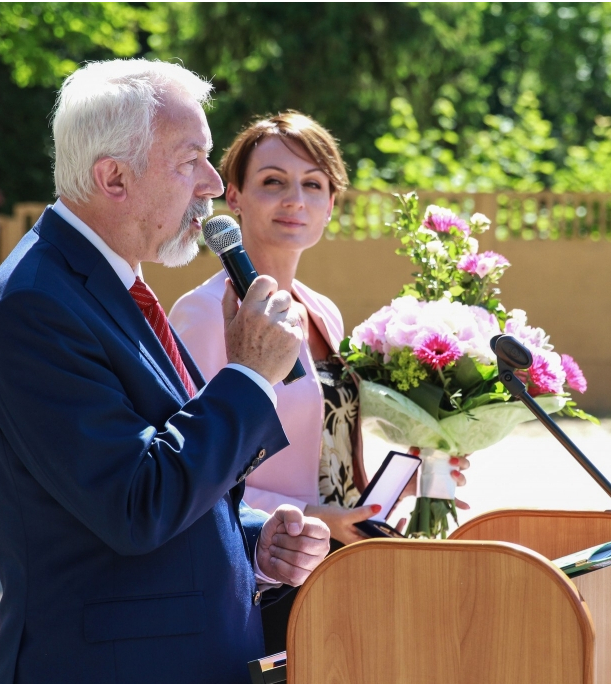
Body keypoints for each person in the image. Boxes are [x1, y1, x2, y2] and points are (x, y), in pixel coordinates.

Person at [0, 60, 330, 683]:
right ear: (113, 177)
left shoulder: (107, 281)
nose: (214, 184)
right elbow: (135, 503)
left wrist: (253, 539)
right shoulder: (33, 304)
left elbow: (152, 479)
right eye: (191, 160)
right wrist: (247, 378)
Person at [169, 111, 470, 652]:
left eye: (314, 184)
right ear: (233, 198)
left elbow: (329, 447)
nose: (295, 200)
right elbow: (191, 471)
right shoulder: (202, 313)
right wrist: (314, 518)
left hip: (340, 566)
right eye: (273, 182)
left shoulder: (322, 311)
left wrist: (408, 476)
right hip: (263, 577)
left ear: (332, 203)